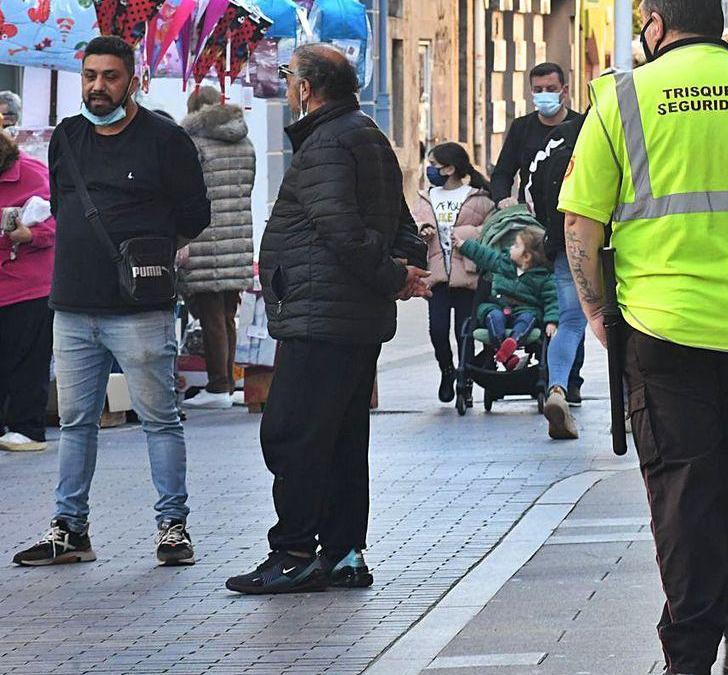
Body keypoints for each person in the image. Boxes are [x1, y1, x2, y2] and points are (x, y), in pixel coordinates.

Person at [558, 0, 728, 671]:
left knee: (683, 492)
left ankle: (692, 652)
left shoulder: (621, 99)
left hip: (662, 326)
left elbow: (580, 222)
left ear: (654, 26)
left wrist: (595, 311)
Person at [225, 44, 431, 594]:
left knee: (293, 435)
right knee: (340, 438)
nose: (287, 84)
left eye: (290, 77)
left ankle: (295, 551)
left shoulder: (328, 143)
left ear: (307, 90)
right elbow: (398, 218)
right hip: (348, 318)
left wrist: (397, 276)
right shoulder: (363, 133)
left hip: (323, 318)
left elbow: (344, 230)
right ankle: (342, 553)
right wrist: (408, 268)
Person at [12, 36, 211, 567]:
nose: (98, 86)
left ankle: (173, 527)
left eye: (111, 77)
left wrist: (150, 249)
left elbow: (195, 215)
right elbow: (61, 203)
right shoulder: (69, 136)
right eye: (90, 76)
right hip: (72, 305)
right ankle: (69, 528)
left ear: (135, 81)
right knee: (76, 422)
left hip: (139, 309)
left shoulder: (165, 139)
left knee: (159, 420)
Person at [178, 85, 255, 410]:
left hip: (207, 238)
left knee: (210, 314)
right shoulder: (244, 140)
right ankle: (229, 379)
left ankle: (218, 385)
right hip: (237, 237)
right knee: (226, 314)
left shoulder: (194, 143)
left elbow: (188, 192)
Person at [413, 142, 495, 402]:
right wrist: (423, 228)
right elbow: (413, 220)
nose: (430, 170)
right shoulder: (427, 196)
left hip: (467, 275)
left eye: (435, 165)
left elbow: (491, 229)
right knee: (437, 330)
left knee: (465, 333)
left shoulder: (478, 197)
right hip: (435, 275)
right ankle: (447, 370)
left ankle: (465, 379)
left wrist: (465, 236)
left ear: (450, 169)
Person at [527, 114, 587, 437]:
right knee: (622, 322)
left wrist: (549, 225)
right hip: (614, 240)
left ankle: (557, 390)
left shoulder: (560, 138)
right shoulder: (622, 129)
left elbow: (532, 183)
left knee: (570, 321)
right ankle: (628, 405)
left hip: (566, 240)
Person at [0, 129, 55, 452]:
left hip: (29, 285)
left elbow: (60, 218)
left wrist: (30, 235)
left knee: (27, 359)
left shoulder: (34, 173)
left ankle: (27, 427)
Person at [454, 229, 558, 371]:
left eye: (515, 245)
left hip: (525, 309)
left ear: (526, 256)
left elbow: (552, 300)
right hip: (498, 305)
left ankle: (512, 342)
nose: (510, 248)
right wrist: (463, 245)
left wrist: (551, 321)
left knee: (528, 318)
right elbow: (485, 255)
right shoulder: (503, 263)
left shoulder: (543, 277)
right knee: (493, 316)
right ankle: (507, 354)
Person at [490, 62, 582, 208]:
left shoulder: (580, 126)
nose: (544, 94)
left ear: (564, 91)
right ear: (531, 92)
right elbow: (502, 173)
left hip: (569, 212)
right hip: (530, 216)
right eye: (538, 90)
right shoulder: (521, 127)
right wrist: (502, 200)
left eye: (551, 89)